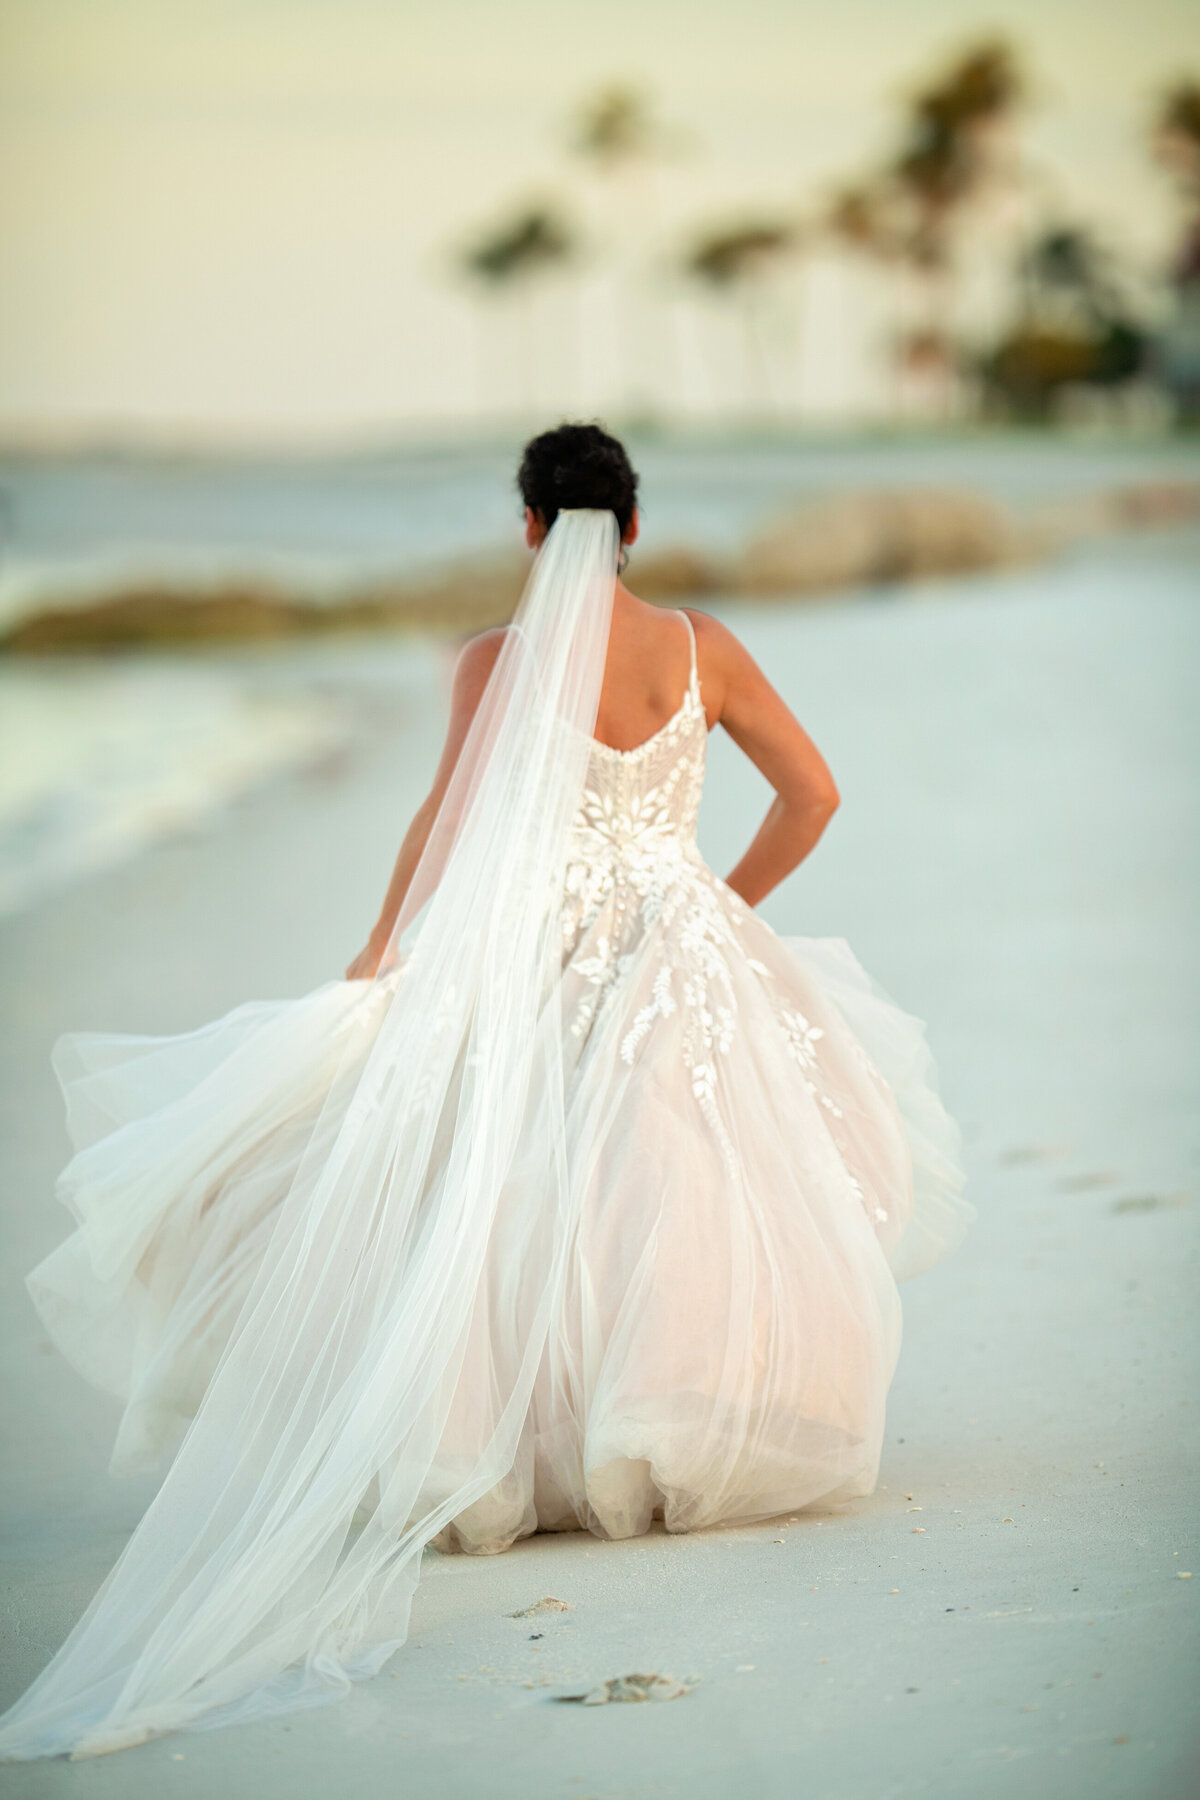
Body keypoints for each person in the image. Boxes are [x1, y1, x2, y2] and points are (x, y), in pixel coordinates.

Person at [0, 423, 970, 1761]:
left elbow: (450, 821)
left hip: (540, 951)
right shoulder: (703, 648)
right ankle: (673, 1432)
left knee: (510, 1179)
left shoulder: (497, 664)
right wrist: (716, 910)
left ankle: (517, 1456)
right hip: (677, 943)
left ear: (529, 529)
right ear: (631, 527)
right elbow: (814, 794)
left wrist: (383, 948)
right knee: (682, 1180)